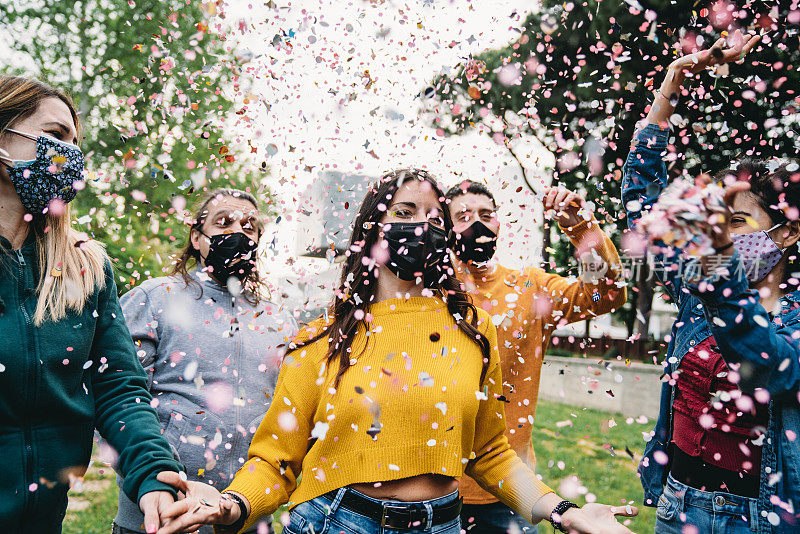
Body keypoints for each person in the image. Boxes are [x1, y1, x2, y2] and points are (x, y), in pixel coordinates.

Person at [151, 168, 637, 534]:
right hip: (340, 522)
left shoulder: (474, 327)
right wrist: (230, 504)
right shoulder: (321, 340)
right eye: (404, 213)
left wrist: (564, 511)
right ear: (371, 231)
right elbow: (277, 460)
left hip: (448, 521)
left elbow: (489, 452)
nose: (421, 225)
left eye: (434, 217)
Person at [623, 31, 800, 533]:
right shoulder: (698, 283)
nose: (718, 235)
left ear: (787, 231)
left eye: (736, 223)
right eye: (713, 222)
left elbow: (764, 361)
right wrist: (672, 81)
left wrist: (716, 268)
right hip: (675, 504)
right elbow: (641, 198)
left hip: (754, 519)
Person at [0, 76, 184, 533]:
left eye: (74, 143)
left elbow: (118, 388)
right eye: (55, 136)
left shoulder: (87, 268)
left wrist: (154, 476)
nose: (70, 154)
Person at [112, 188, 298, 534]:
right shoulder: (153, 299)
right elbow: (117, 400)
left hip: (247, 517)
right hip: (159, 516)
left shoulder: (280, 321)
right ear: (197, 237)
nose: (238, 232)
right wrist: (154, 483)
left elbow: (288, 419)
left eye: (249, 226)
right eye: (224, 222)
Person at [445, 181, 627, 532]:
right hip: (436, 488)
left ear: (499, 225)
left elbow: (607, 297)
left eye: (486, 215)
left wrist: (582, 228)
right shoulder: (428, 291)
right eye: (463, 217)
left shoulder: (530, 288)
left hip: (512, 489)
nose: (476, 224)